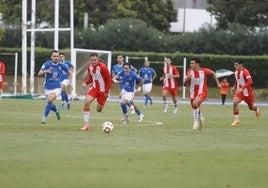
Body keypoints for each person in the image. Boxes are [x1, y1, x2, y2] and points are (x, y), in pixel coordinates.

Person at [183, 57, 221, 130]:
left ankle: (195, 121)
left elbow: (213, 73)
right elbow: (184, 84)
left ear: (197, 64)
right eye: (190, 63)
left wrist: (218, 83)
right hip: (192, 93)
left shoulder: (204, 71)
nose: (190, 65)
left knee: (195, 103)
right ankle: (201, 119)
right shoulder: (189, 72)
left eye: (192, 63)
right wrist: (187, 79)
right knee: (195, 106)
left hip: (202, 92)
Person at [37, 50, 71, 124]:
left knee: (49, 100)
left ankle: (44, 117)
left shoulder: (61, 65)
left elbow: (69, 72)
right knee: (50, 103)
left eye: (57, 56)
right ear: (51, 57)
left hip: (57, 87)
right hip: (47, 87)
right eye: (54, 56)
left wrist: (69, 81)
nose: (56, 58)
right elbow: (39, 73)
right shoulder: (47, 64)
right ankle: (56, 109)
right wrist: (45, 71)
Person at [81, 53, 111, 131]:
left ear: (98, 59)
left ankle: (102, 101)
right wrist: (86, 83)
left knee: (99, 110)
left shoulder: (103, 67)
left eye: (95, 60)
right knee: (86, 102)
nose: (93, 61)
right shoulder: (89, 67)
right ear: (90, 60)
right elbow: (91, 78)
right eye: (92, 60)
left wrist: (106, 91)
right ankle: (86, 125)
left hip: (103, 92)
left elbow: (109, 79)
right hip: (94, 89)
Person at [230, 59, 260, 127]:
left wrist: (242, 88)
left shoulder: (245, 72)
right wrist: (234, 87)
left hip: (247, 92)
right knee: (235, 102)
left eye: (236, 65)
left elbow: (250, 81)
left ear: (241, 65)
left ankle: (256, 108)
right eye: (234, 65)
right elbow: (237, 80)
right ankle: (236, 120)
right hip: (239, 91)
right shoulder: (236, 72)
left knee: (251, 107)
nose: (235, 66)